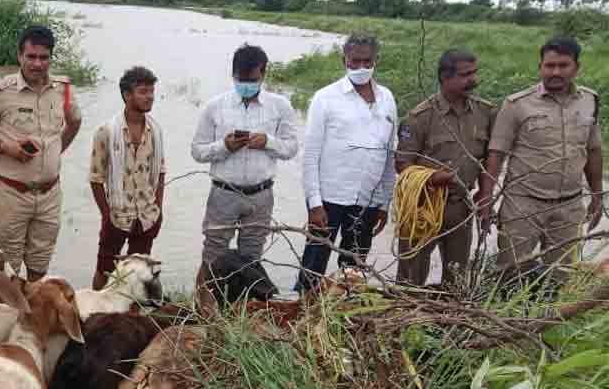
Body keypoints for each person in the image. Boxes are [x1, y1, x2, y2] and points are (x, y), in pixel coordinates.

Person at [480, 36, 603, 273]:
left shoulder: (589, 101)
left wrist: (597, 194)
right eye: (549, 65)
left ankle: (549, 311)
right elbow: (496, 154)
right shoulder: (516, 104)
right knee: (511, 274)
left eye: (563, 65)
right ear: (540, 67)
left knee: (562, 276)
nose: (555, 72)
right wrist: (486, 199)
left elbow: (593, 150)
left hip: (570, 207)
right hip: (522, 206)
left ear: (577, 67)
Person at [0, 24, 82, 280]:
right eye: (31, 56)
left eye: (44, 57)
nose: (37, 64)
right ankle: (11, 315)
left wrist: (55, 152)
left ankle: (32, 313)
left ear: (51, 57)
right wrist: (6, 148)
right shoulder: (0, 91)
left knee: (40, 264)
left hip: (50, 195)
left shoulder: (62, 89)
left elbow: (74, 122)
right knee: (9, 266)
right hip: (12, 194)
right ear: (19, 56)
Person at [296, 35, 398, 293]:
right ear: (344, 61)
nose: (361, 67)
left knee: (353, 270)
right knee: (313, 266)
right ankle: (302, 316)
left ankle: (342, 317)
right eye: (355, 61)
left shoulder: (386, 98)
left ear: (377, 60)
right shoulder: (325, 98)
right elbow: (310, 156)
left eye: (367, 61)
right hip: (329, 198)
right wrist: (314, 203)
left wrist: (384, 202)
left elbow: (388, 155)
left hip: (367, 200)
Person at [191, 44, 298, 291]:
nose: (247, 84)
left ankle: (242, 309)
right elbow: (197, 151)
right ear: (233, 75)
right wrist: (224, 146)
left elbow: (291, 148)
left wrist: (267, 142)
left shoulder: (280, 106)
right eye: (242, 79)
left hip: (261, 194)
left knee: (251, 257)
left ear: (263, 75)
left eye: (253, 79)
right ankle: (202, 306)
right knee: (213, 253)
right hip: (224, 192)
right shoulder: (215, 106)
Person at [394, 49, 495, 285]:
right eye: (464, 75)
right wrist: (432, 178)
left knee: (457, 279)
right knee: (411, 277)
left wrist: (485, 193)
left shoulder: (485, 113)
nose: (473, 79)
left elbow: (490, 158)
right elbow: (402, 164)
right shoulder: (420, 117)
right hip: (422, 207)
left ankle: (451, 320)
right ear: (444, 77)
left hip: (461, 208)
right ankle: (408, 318)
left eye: (474, 73)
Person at [88, 66, 165, 289]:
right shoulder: (107, 131)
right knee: (104, 268)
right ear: (127, 95)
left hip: (147, 215)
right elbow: (95, 178)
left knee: (139, 271)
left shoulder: (156, 130)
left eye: (151, 91)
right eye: (143, 91)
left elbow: (160, 173)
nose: (149, 96)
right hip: (117, 215)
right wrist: (106, 216)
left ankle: (129, 314)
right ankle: (96, 314)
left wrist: (158, 210)